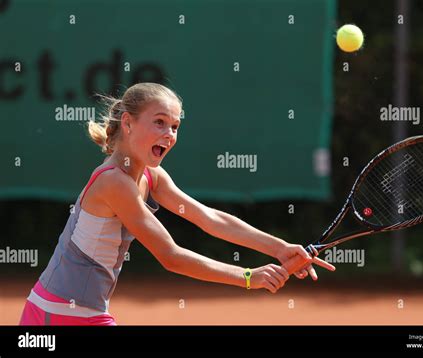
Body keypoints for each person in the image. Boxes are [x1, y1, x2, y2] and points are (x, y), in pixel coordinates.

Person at [19, 82, 335, 325]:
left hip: (72, 313)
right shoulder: (113, 182)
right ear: (127, 123)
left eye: (175, 126)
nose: (169, 134)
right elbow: (171, 256)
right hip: (58, 316)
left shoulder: (152, 176)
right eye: (159, 122)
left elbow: (209, 218)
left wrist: (279, 248)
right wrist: (248, 277)